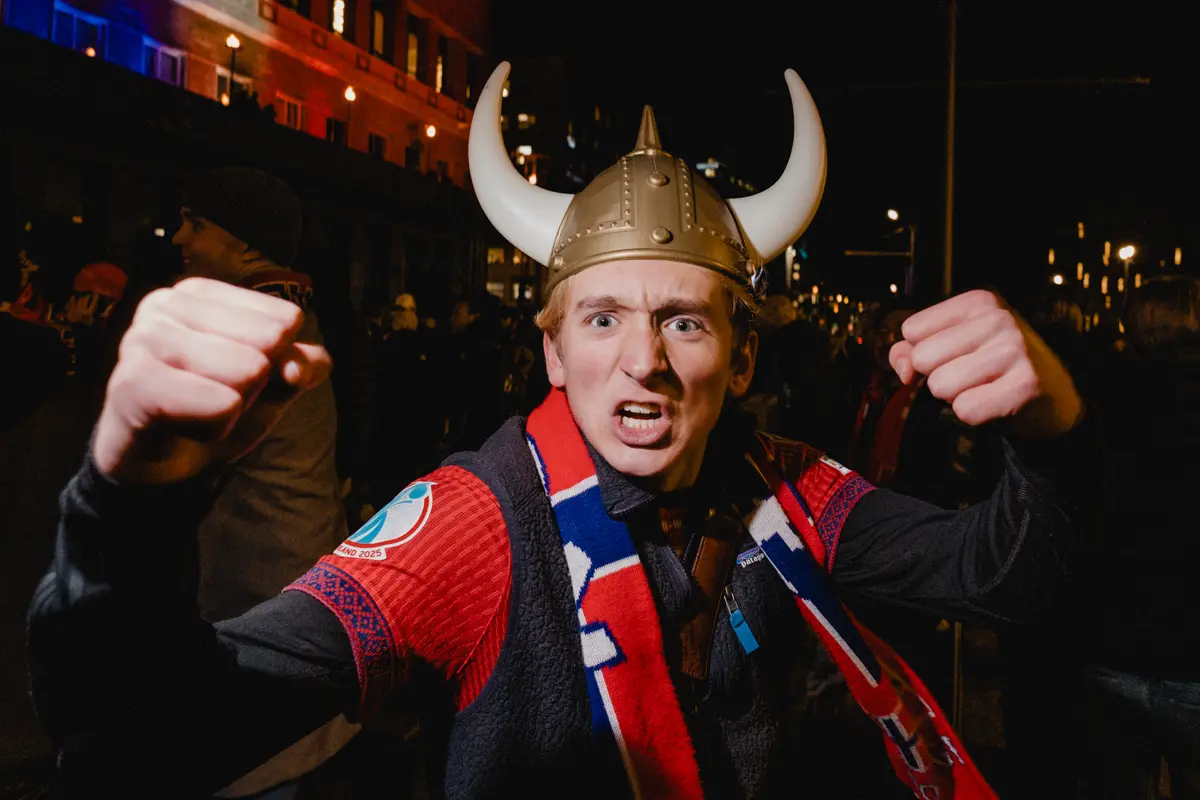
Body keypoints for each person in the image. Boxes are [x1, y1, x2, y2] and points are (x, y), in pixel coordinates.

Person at [29, 64, 1092, 799]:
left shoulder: (792, 489)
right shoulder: (472, 523)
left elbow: (1008, 579)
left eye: (684, 317)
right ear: (552, 351)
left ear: (746, 355)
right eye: (602, 316)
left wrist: (1046, 429)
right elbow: (137, 739)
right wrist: (130, 500)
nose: (645, 359)